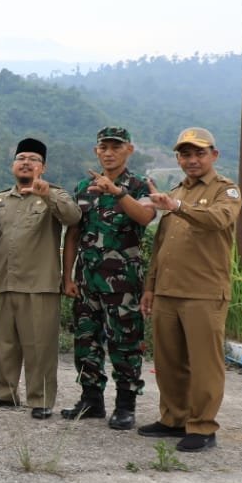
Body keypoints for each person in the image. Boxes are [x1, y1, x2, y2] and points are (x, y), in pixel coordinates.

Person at [140, 127, 240, 453]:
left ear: (214, 155)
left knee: (204, 365)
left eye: (199, 153)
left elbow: (217, 220)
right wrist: (150, 287)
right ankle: (174, 419)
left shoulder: (226, 191)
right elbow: (162, 246)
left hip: (204, 293)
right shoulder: (176, 191)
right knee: (168, 362)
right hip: (168, 291)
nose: (192, 159)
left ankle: (203, 427)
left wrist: (177, 207)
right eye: (185, 154)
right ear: (178, 158)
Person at [0, 138, 80, 418]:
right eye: (21, 158)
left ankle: (41, 400)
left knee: (40, 347)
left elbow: (73, 218)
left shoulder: (54, 196)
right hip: (5, 283)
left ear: (42, 167)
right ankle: (2, 393)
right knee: (3, 344)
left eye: (33, 159)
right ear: (13, 165)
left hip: (40, 285)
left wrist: (48, 196)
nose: (26, 162)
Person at [61, 126, 155, 429]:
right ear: (96, 151)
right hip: (87, 281)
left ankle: (125, 405)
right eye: (104, 147)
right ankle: (91, 400)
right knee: (86, 340)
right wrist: (67, 276)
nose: (109, 153)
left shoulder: (139, 186)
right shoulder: (83, 188)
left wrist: (118, 193)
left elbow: (144, 217)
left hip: (124, 283)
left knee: (125, 343)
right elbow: (73, 234)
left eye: (116, 147)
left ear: (129, 150)